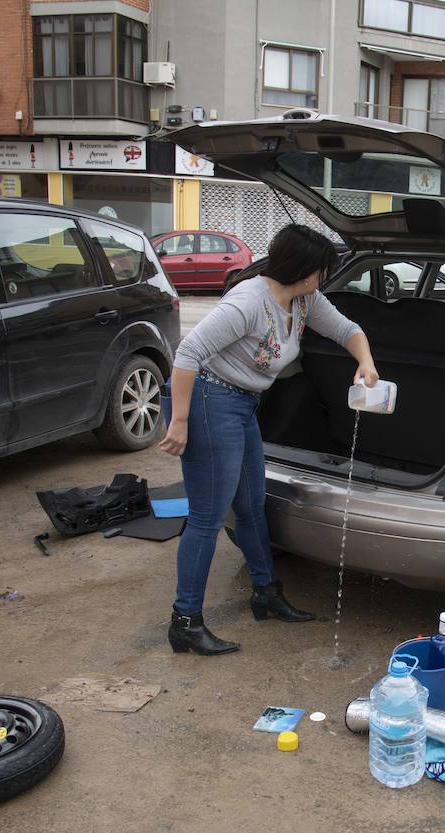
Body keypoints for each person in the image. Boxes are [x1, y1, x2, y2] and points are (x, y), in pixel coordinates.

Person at [161, 225, 378, 656]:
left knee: (250, 503)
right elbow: (187, 355)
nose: (325, 276)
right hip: (208, 399)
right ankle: (185, 621)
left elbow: (347, 329)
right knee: (207, 515)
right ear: (304, 268)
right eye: (322, 269)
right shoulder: (248, 302)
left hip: (242, 403)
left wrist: (366, 363)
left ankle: (266, 593)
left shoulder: (304, 300)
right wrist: (180, 421)